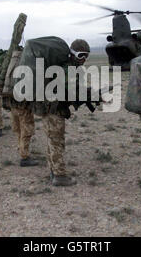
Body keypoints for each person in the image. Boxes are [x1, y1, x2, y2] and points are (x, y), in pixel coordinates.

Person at [37, 39, 91, 186]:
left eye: (86, 56)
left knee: (52, 142)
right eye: (81, 55)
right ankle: (60, 176)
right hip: (54, 111)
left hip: (49, 109)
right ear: (73, 54)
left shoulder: (67, 68)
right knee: (57, 143)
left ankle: (53, 171)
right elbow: (71, 90)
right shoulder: (68, 69)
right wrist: (90, 94)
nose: (84, 59)